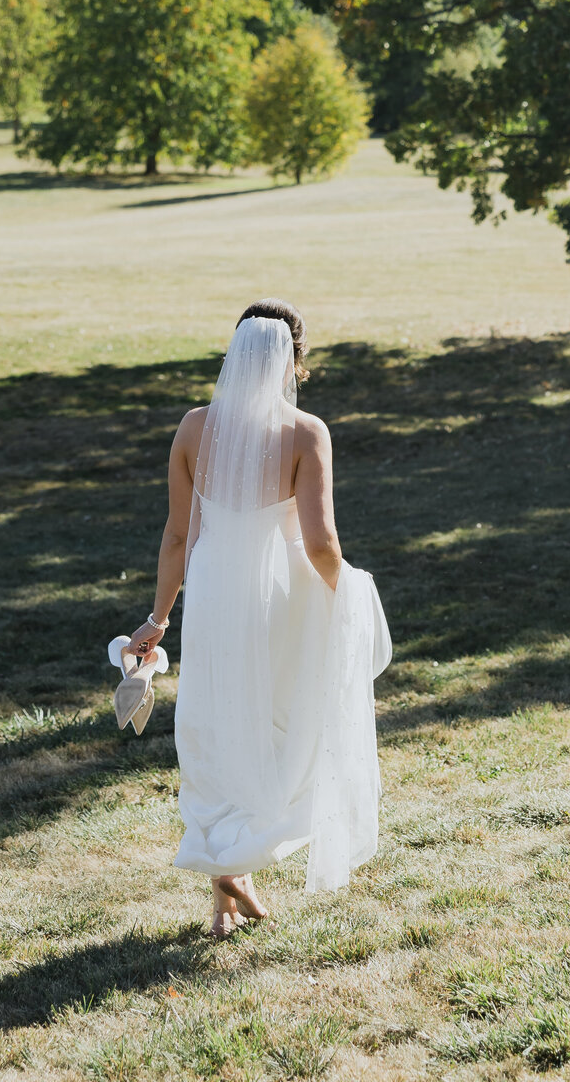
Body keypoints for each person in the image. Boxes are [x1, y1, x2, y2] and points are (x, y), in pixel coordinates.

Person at [127, 298, 391, 938]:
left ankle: (228, 870)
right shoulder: (306, 433)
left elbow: (175, 535)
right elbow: (322, 543)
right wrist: (346, 593)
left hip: (216, 592)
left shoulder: (194, 428)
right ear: (294, 363)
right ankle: (237, 864)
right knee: (282, 725)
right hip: (282, 596)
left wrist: (158, 616)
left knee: (219, 718)